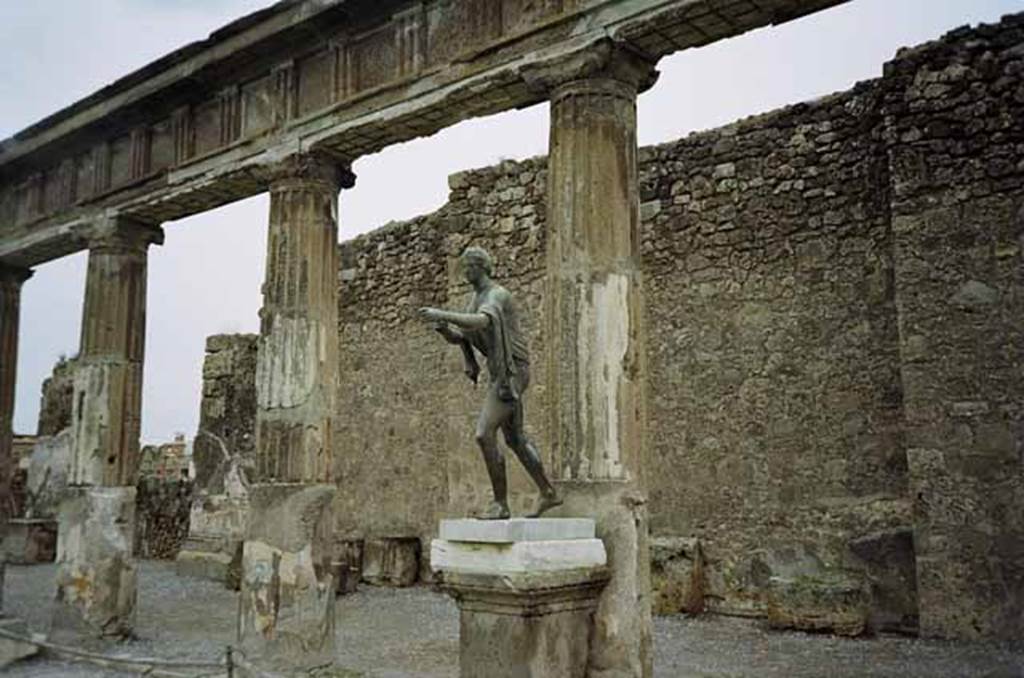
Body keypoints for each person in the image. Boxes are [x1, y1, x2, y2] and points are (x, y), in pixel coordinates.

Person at [418, 246, 562, 520]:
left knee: (484, 434)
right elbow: (464, 336)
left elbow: (482, 321)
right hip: (500, 372)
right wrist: (446, 330)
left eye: (469, 266)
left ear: (482, 267)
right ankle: (548, 493)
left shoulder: (497, 294)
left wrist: (442, 314)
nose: (465, 272)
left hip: (512, 371)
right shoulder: (476, 298)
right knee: (516, 439)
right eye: (464, 267)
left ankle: (500, 504)